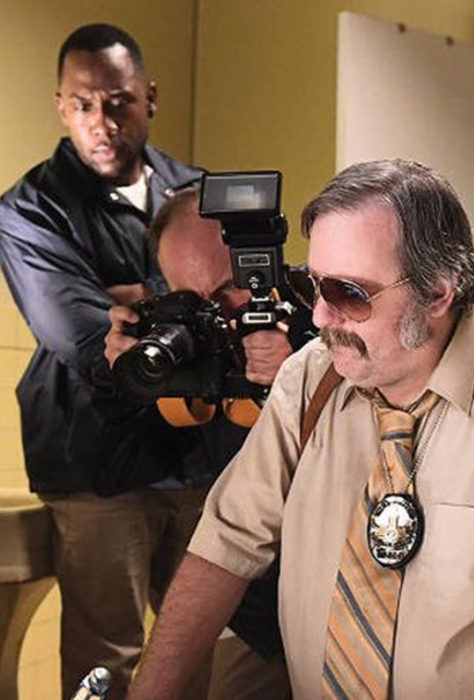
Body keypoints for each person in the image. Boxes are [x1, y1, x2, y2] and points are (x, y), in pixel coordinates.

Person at [125, 159, 474, 700]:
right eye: (311, 287)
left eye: (349, 293)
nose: (320, 318)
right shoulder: (308, 379)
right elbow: (225, 547)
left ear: (437, 291)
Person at [0, 23, 293, 700]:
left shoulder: (199, 190)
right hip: (96, 462)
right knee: (107, 654)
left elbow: (253, 297)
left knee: (205, 647)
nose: (102, 122)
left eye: (119, 101)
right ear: (61, 106)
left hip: (201, 453)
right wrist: (184, 305)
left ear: (149, 98)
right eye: (82, 104)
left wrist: (151, 300)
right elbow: (82, 336)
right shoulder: (31, 209)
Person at [105, 186, 315, 699]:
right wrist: (127, 378)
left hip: (354, 603)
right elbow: (119, 470)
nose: (217, 315)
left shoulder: (329, 314)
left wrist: (302, 373)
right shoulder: (194, 344)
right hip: (257, 616)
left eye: (228, 291)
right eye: (194, 300)